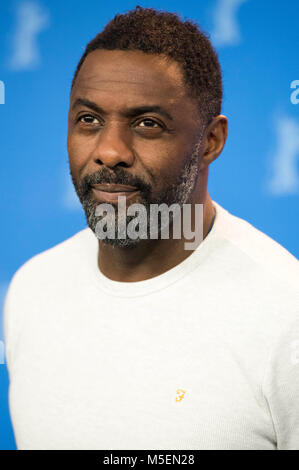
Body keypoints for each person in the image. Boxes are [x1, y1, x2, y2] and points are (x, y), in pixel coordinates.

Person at [4, 6, 299, 450]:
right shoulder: (31, 289)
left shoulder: (286, 316)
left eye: (147, 124)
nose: (109, 151)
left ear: (211, 142)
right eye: (89, 120)